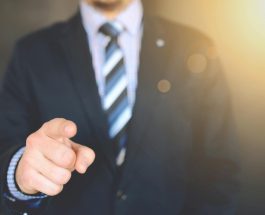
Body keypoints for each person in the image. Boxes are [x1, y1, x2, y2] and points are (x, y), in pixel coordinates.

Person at [0, 0, 239, 214]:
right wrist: (20, 173)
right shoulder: (31, 54)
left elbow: (220, 168)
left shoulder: (195, 47)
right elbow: (6, 148)